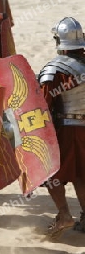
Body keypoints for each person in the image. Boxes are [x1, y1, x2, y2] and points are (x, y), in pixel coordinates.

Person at [38, 17, 85, 238]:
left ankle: (65, 215)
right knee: (82, 175)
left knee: (51, 175)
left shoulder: (55, 69)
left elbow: (42, 107)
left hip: (65, 131)